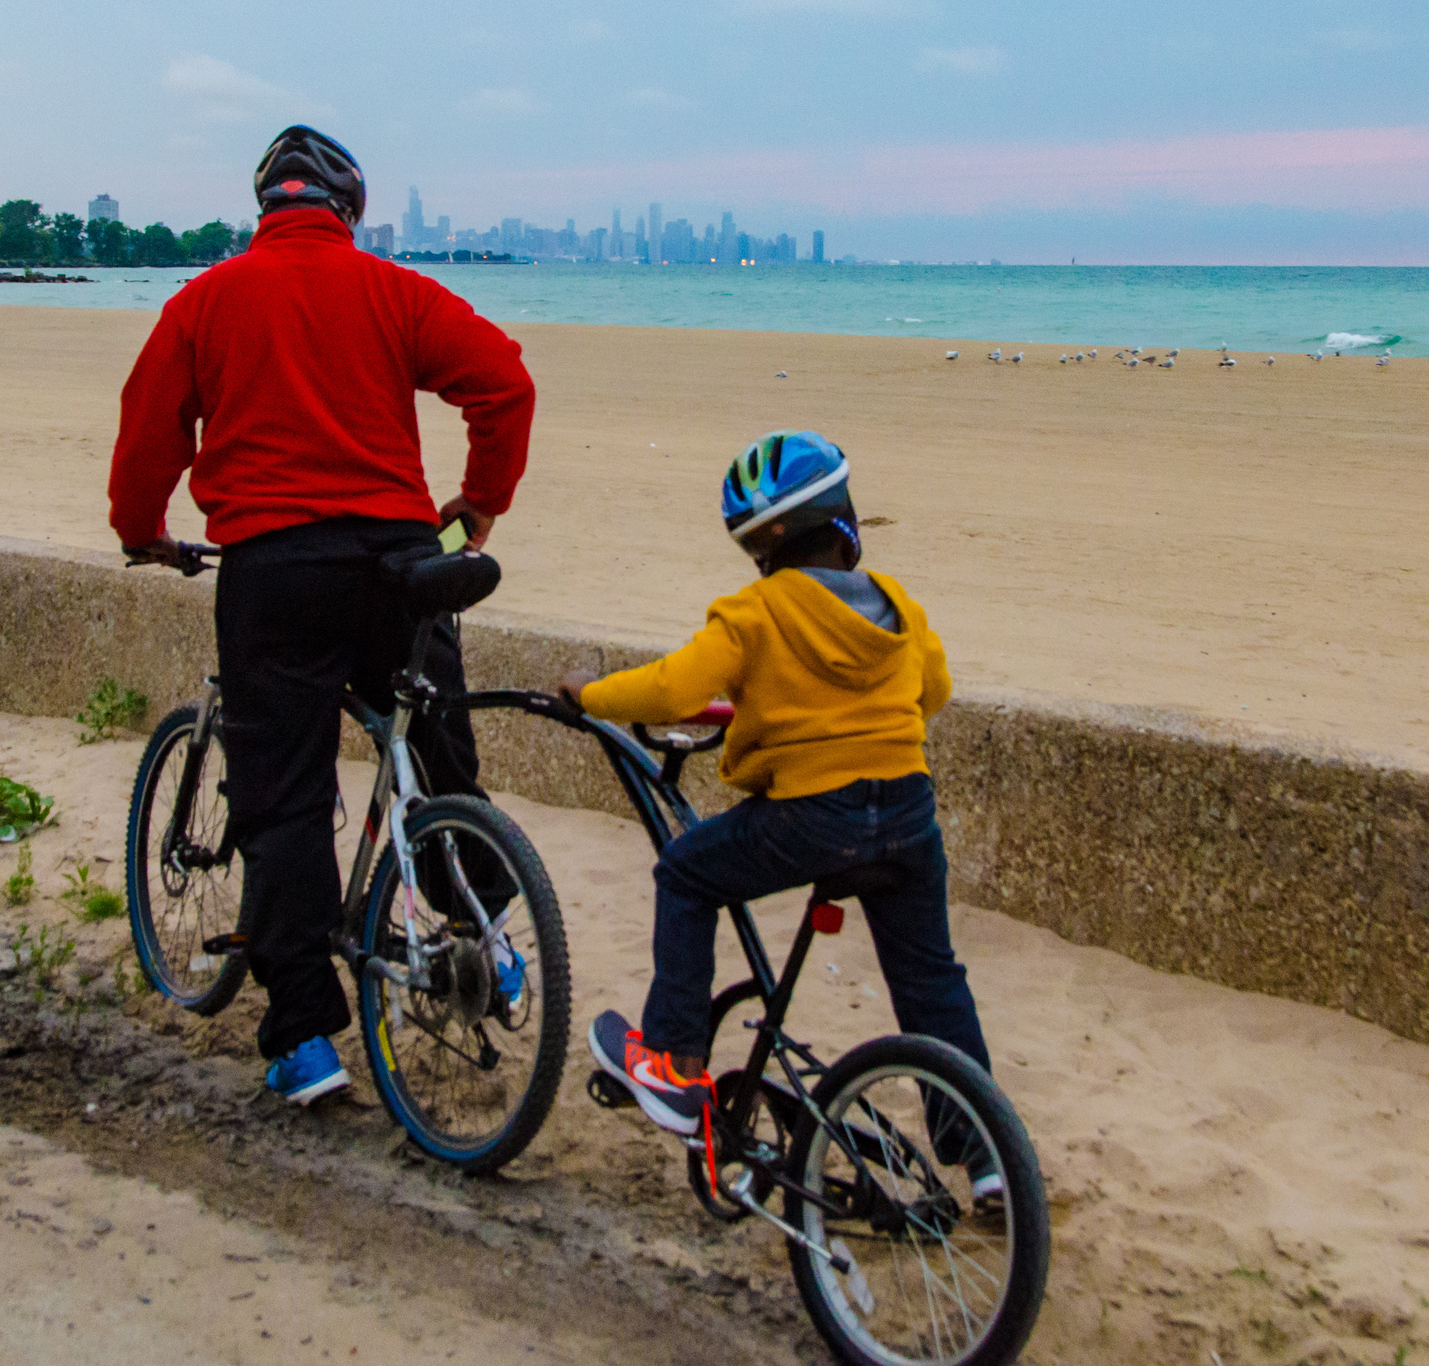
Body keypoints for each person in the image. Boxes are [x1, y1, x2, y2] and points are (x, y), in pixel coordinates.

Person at [110, 124, 536, 1106]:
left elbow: (148, 432)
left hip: (276, 568)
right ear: (348, 208)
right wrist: (481, 499)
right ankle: (487, 939)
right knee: (437, 750)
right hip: (397, 561)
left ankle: (304, 1035)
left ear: (263, 209)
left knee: (283, 790)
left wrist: (143, 528)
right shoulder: (394, 291)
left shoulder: (203, 302)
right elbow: (504, 382)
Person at [560, 429, 993, 1138]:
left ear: (761, 552)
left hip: (813, 819)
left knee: (687, 871)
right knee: (931, 978)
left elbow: (674, 688)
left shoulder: (753, 613)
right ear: (845, 524)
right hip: (909, 811)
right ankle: (982, 1152)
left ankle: (672, 1061)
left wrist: (592, 692)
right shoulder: (901, 608)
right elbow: (933, 691)